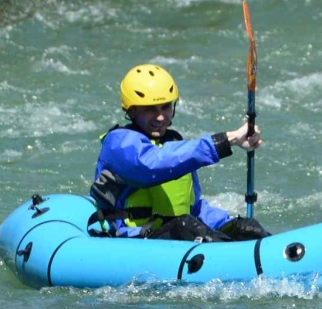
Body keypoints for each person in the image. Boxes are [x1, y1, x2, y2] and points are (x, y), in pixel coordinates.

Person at [90, 63, 268, 241]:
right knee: (186, 227)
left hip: (178, 233)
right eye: (150, 109)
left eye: (165, 107)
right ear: (131, 110)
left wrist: (228, 224)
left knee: (247, 228)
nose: (160, 117)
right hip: (134, 239)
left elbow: (195, 208)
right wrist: (227, 140)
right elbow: (151, 164)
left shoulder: (174, 143)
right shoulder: (118, 143)